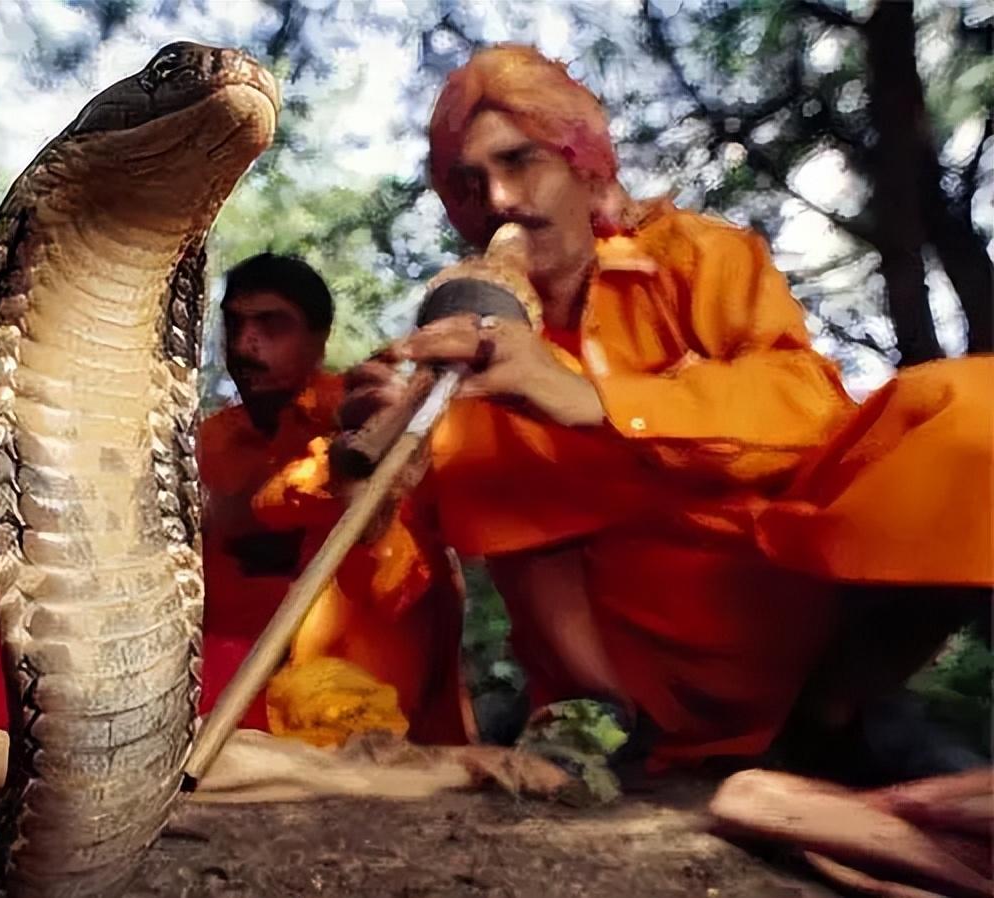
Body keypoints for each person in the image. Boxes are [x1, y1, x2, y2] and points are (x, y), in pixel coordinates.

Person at [338, 44, 991, 775]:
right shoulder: (462, 345)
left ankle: (834, 715)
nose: (496, 201)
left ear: (585, 167)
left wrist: (598, 400)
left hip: (789, 632)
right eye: (468, 182)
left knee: (976, 411)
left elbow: (809, 408)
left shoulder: (700, 257)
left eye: (520, 162)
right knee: (482, 424)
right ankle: (611, 724)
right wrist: (387, 482)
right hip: (630, 698)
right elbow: (400, 574)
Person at [197, 252, 471, 746]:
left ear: (319, 338)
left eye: (271, 325)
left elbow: (401, 580)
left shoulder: (367, 419)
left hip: (348, 689)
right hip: (224, 681)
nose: (244, 344)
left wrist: (354, 460)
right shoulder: (208, 442)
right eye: (233, 324)